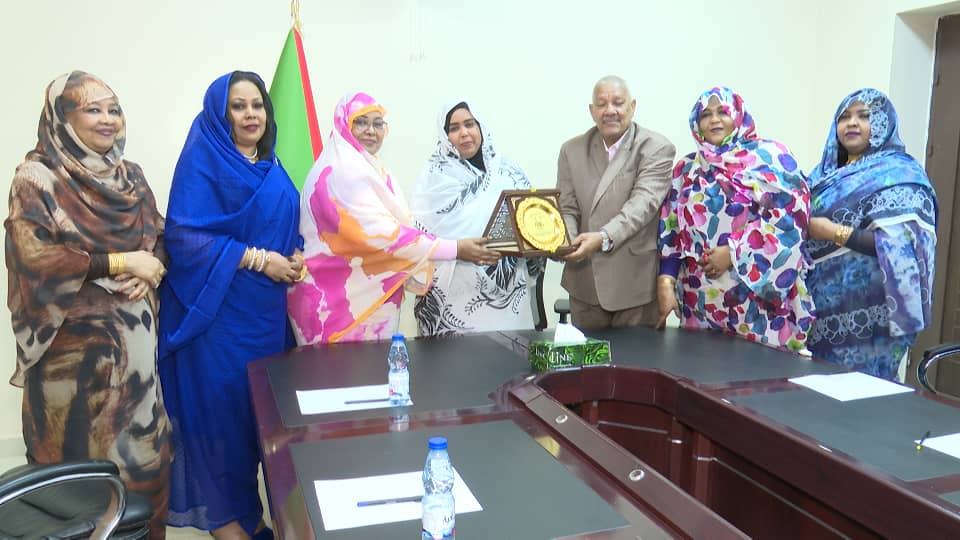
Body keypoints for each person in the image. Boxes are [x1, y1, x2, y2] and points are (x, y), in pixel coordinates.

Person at [4, 71, 170, 539]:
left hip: (137, 370)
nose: (107, 119)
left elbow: (160, 235)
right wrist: (122, 261)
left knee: (144, 469)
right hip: (72, 370)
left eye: (113, 109)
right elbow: (32, 256)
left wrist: (153, 266)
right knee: (76, 485)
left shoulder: (130, 176)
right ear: (62, 117)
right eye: (93, 109)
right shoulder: (36, 178)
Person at [159, 71, 302, 539]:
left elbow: (283, 222)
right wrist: (260, 259)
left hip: (266, 319)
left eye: (257, 104)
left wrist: (295, 254)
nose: (250, 114)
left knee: (257, 422)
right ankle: (228, 526)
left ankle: (252, 517)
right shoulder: (203, 161)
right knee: (220, 423)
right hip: (217, 320)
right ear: (221, 115)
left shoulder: (271, 163)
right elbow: (185, 237)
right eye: (238, 106)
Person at [288, 92, 499, 344]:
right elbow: (385, 235)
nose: (371, 131)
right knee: (345, 370)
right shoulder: (341, 172)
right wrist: (456, 248)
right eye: (361, 122)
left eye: (378, 124)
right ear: (343, 124)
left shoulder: (370, 167)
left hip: (364, 300)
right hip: (336, 308)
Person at [657, 86, 815, 353]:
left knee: (756, 373)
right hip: (702, 302)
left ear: (739, 115)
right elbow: (669, 228)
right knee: (700, 372)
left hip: (756, 301)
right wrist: (666, 281)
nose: (714, 120)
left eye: (723, 112)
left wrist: (733, 252)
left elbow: (792, 218)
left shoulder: (770, 157)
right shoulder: (686, 170)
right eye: (705, 115)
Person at [806, 88, 937, 380]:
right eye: (844, 117)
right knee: (818, 390)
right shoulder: (821, 176)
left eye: (865, 116)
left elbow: (904, 246)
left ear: (884, 123)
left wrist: (832, 231)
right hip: (821, 308)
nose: (852, 123)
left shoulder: (901, 174)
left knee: (865, 394)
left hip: (873, 312)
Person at [409, 99, 544, 336]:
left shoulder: (507, 171)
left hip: (509, 296)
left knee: (508, 355)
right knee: (458, 358)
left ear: (481, 127)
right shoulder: (433, 178)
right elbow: (419, 239)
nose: (464, 133)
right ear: (445, 136)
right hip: (457, 295)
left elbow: (530, 218)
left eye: (470, 124)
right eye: (454, 128)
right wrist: (459, 249)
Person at [556, 75, 676, 329]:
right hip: (584, 284)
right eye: (601, 104)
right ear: (592, 111)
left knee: (636, 356)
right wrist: (567, 242)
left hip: (634, 286)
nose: (609, 110)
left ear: (632, 106)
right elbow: (567, 207)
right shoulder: (571, 150)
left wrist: (602, 237)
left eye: (618, 103)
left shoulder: (656, 147)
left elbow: (642, 206)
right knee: (587, 356)